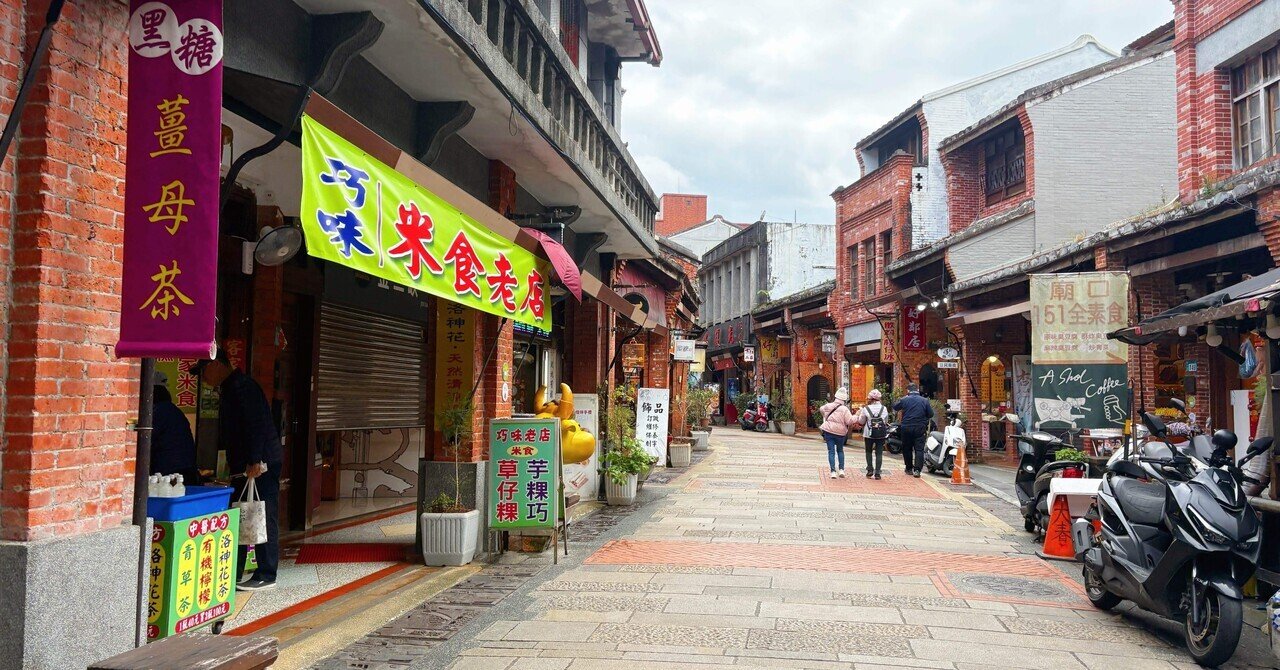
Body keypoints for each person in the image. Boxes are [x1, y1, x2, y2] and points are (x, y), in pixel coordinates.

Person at [192, 352, 283, 592]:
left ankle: (266, 573)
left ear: (216, 364)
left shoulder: (242, 387)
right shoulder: (231, 388)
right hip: (246, 466)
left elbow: (256, 425)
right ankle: (235, 571)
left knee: (262, 514)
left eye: (203, 371)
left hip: (260, 465)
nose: (203, 378)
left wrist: (255, 460)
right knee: (243, 514)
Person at [150, 371, 201, 485]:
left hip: (170, 475)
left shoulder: (157, 412)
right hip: (185, 472)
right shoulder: (173, 411)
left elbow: (145, 441)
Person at [892, 384, 934, 477]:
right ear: (917, 390)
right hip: (920, 427)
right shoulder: (924, 400)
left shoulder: (904, 399)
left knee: (907, 448)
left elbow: (895, 406)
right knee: (919, 449)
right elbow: (931, 414)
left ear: (908, 391)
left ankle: (909, 468)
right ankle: (917, 470)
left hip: (906, 427)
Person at [818, 387, 860, 479]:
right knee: (840, 450)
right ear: (844, 399)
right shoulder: (845, 409)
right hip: (840, 433)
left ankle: (833, 472)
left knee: (831, 451)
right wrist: (856, 416)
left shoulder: (828, 406)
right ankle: (841, 470)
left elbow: (821, 409)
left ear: (836, 397)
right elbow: (849, 421)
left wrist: (825, 415)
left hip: (829, 431)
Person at [854, 389, 888, 480]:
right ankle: (877, 473)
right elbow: (885, 421)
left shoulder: (866, 409)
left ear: (871, 399)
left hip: (868, 433)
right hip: (880, 433)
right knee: (879, 453)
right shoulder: (884, 408)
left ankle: (870, 470)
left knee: (868, 451)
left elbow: (861, 421)